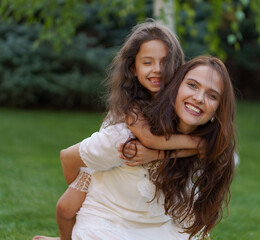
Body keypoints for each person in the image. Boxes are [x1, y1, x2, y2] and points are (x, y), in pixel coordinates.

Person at [33, 20, 205, 240]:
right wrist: (195, 144)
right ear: (133, 68)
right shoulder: (132, 108)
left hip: (134, 192)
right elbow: (149, 139)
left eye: (165, 61)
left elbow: (211, 148)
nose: (157, 69)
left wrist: (199, 145)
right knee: (65, 208)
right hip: (101, 165)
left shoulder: (183, 106)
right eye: (147, 62)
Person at [68, 55, 236, 240]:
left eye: (212, 95)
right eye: (192, 85)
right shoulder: (128, 137)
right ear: (176, 87)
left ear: (219, 109)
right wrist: (75, 194)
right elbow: (69, 157)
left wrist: (158, 153)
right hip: (106, 228)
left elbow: (187, 219)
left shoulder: (207, 149)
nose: (199, 98)